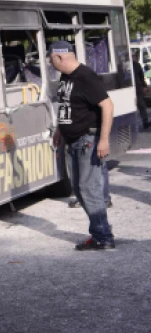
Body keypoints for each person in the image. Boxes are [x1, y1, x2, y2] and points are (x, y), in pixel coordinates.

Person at [50, 41, 115, 250]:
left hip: (88, 141)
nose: (50, 63)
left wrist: (103, 139)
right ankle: (101, 231)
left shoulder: (85, 76)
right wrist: (60, 129)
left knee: (89, 189)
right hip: (72, 140)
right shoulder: (66, 77)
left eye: (51, 58)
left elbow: (107, 105)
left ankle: (102, 237)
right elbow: (67, 106)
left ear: (59, 57)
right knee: (79, 189)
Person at [133, 53, 149, 130]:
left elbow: (141, 77)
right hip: (130, 88)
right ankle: (133, 124)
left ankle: (145, 122)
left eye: (134, 56)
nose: (134, 57)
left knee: (141, 105)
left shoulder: (137, 65)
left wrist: (144, 86)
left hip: (138, 88)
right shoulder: (125, 66)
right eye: (132, 56)